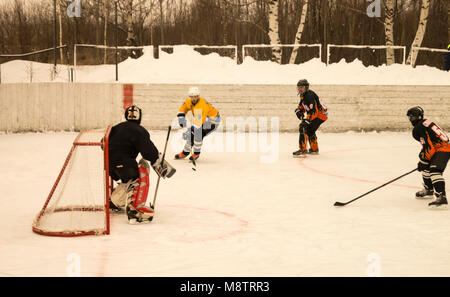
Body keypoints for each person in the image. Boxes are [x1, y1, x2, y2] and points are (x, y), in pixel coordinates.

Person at [108, 105, 175, 224]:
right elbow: (147, 150)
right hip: (125, 163)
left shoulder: (116, 127)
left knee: (128, 179)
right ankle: (135, 211)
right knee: (140, 172)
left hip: (109, 164)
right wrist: (157, 161)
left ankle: (114, 201)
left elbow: (104, 142)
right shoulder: (139, 130)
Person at [407, 106, 450, 209]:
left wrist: (423, 160)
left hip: (443, 149)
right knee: (426, 166)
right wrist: (423, 159)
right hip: (441, 147)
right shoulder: (426, 122)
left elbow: (429, 147)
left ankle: (442, 198)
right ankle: (429, 189)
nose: (410, 120)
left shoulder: (418, 128)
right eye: (410, 117)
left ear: (419, 117)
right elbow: (429, 145)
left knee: (434, 170)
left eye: (412, 117)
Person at [175, 86, 221, 161]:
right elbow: (183, 109)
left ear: (198, 96)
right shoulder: (188, 101)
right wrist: (181, 118)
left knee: (198, 134)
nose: (194, 99)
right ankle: (185, 152)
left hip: (212, 121)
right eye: (192, 97)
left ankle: (196, 153)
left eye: (195, 96)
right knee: (192, 134)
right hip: (203, 120)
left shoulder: (201, 105)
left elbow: (198, 123)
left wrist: (191, 130)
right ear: (189, 97)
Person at [293, 79, 328, 157]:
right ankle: (314, 149)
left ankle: (303, 150)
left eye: (301, 87)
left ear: (306, 87)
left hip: (320, 115)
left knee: (303, 127)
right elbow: (302, 106)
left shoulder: (309, 96)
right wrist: (298, 111)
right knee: (310, 130)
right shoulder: (304, 95)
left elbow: (314, 111)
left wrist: (307, 120)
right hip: (320, 114)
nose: (299, 89)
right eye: (298, 87)